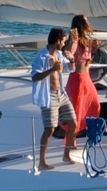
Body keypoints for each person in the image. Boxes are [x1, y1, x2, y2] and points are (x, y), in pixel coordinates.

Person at [30, 27, 77, 169]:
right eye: (62, 41)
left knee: (73, 123)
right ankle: (42, 162)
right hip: (48, 95)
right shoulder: (41, 56)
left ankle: (66, 154)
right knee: (50, 129)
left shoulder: (59, 54)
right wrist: (51, 70)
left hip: (61, 94)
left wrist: (72, 59)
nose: (63, 44)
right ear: (57, 40)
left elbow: (71, 69)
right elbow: (34, 76)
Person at [66, 14, 101, 135]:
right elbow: (70, 52)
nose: (89, 24)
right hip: (78, 78)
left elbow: (91, 56)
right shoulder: (75, 39)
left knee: (94, 104)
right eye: (86, 22)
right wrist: (73, 40)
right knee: (76, 109)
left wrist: (95, 47)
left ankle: (86, 132)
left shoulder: (87, 40)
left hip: (87, 78)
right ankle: (71, 139)